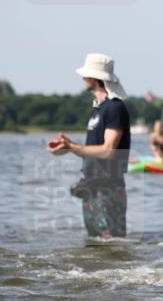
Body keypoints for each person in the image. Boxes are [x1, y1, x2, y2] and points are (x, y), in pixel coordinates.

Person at [47, 53, 131, 238]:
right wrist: (66, 147)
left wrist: (73, 147)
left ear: (94, 78)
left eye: (85, 74)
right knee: (94, 244)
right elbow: (93, 150)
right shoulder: (98, 109)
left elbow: (108, 150)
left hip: (108, 189)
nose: (82, 78)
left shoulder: (114, 108)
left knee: (111, 243)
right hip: (92, 187)